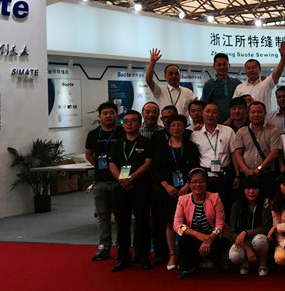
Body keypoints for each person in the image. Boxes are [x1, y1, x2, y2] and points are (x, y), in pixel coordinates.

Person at [152, 113, 200, 272]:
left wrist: (187, 185)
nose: (176, 128)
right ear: (168, 128)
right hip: (168, 191)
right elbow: (156, 169)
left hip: (187, 190)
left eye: (179, 125)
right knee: (170, 222)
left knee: (187, 222)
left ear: (184, 127)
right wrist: (166, 186)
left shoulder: (191, 146)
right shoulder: (162, 147)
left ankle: (186, 254)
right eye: (173, 125)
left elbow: (195, 167)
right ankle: (172, 254)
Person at [107, 109, 153, 272]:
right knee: (122, 224)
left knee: (142, 223)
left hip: (140, 187)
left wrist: (131, 178)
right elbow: (112, 163)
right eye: (125, 121)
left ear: (139, 124)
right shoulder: (118, 143)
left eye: (133, 121)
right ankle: (123, 258)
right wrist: (122, 179)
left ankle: (143, 256)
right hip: (121, 187)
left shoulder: (146, 142)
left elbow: (148, 163)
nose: (129, 124)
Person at [84, 101, 126, 262]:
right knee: (103, 216)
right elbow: (88, 153)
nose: (108, 116)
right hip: (100, 181)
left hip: (119, 181)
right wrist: (100, 167)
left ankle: (122, 246)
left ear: (116, 114)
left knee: (121, 216)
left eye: (111, 113)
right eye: (105, 113)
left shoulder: (123, 132)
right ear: (100, 116)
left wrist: (122, 176)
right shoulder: (93, 134)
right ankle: (104, 246)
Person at [172, 167, 228, 279]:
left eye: (201, 181)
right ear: (189, 184)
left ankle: (215, 261)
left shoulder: (215, 198)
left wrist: (209, 239)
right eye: (194, 182)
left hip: (212, 236)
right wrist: (197, 235)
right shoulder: (182, 200)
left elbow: (220, 224)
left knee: (220, 243)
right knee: (183, 238)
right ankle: (190, 267)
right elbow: (177, 226)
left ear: (206, 183)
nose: (198, 185)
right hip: (194, 236)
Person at [191, 102, 237, 216]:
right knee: (206, 210)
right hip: (205, 178)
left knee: (225, 208)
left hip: (224, 177)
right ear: (202, 113)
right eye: (207, 111)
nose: (210, 115)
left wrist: (237, 175)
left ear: (219, 114)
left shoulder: (228, 131)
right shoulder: (195, 134)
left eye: (214, 112)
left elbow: (234, 154)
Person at [231, 100, 282, 197]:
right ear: (248, 114)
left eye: (259, 112)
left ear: (265, 113)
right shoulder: (242, 131)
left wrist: (258, 169)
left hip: (266, 175)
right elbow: (237, 153)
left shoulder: (272, 130)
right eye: (253, 112)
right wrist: (245, 170)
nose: (256, 115)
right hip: (246, 176)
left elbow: (274, 153)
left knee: (266, 202)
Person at [226, 174, 272, 276]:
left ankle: (263, 262)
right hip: (243, 242)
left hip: (260, 238)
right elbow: (231, 233)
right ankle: (245, 262)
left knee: (260, 240)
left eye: (255, 188)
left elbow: (266, 227)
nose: (251, 191)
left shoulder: (266, 203)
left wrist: (247, 232)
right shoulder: (237, 206)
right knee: (234, 256)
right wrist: (247, 248)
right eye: (248, 188)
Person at [232, 42, 285, 111]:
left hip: (265, 117)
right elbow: (235, 106)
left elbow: (278, 72)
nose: (251, 70)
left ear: (260, 69)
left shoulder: (266, 82)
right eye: (248, 68)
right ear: (245, 70)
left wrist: (283, 57)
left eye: (254, 67)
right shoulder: (239, 88)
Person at [145, 48, 195, 117]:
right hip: (164, 123)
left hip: (182, 123)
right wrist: (152, 62)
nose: (174, 76)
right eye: (170, 74)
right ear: (165, 76)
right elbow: (148, 80)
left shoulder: (188, 92)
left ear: (180, 76)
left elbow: (197, 106)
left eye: (176, 74)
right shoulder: (160, 90)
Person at [201, 52, 242, 123]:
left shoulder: (236, 83)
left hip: (235, 122)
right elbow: (205, 106)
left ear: (229, 65)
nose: (222, 67)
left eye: (224, 64)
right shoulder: (209, 84)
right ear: (214, 66)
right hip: (216, 122)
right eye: (219, 65)